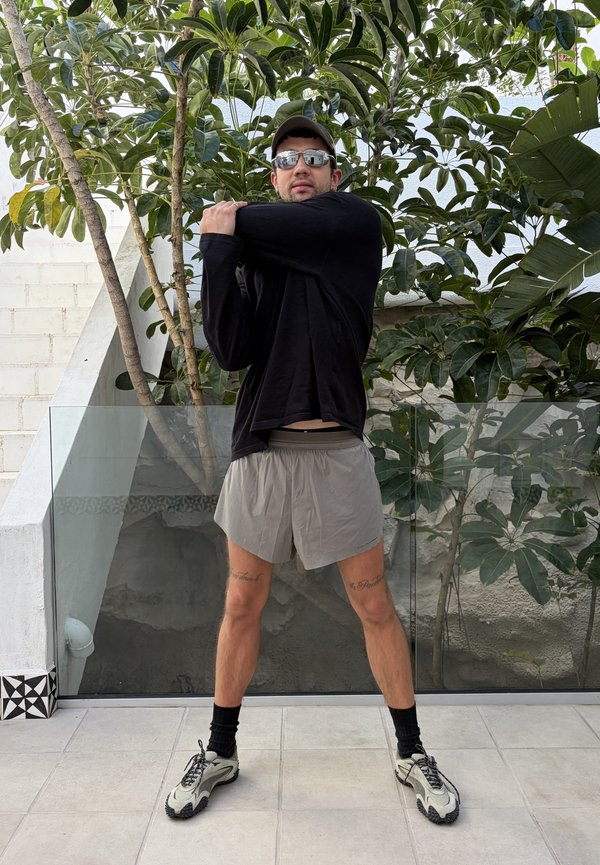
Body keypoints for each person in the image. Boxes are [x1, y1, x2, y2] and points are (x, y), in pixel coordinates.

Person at [165, 115, 460, 824]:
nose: (300, 166)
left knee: (373, 603)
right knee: (240, 602)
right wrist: (221, 251)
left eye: (315, 159)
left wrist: (224, 221)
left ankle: (412, 748)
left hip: (335, 453)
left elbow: (249, 224)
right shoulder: (255, 254)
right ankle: (220, 748)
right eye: (286, 160)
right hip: (263, 451)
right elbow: (231, 351)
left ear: (334, 176)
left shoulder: (353, 225)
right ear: (272, 176)